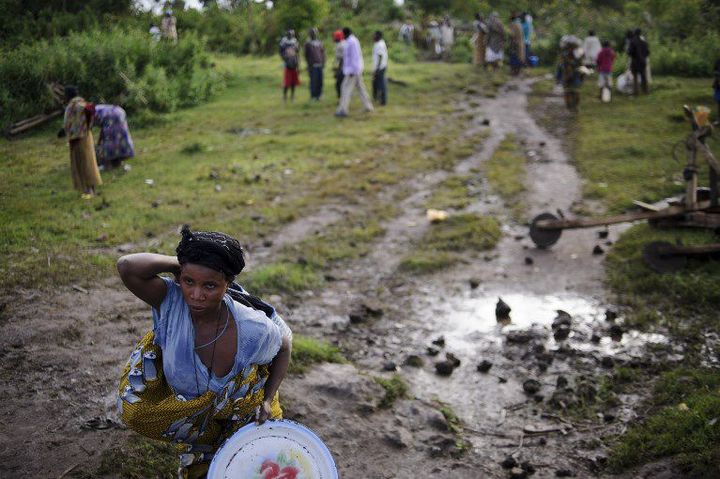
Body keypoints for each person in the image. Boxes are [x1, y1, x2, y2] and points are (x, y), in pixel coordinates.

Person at [116, 226, 292, 479]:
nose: (196, 296)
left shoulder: (252, 328)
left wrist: (267, 398)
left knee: (253, 465)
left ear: (228, 284)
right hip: (199, 417)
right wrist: (184, 263)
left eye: (210, 285)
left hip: (240, 409)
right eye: (189, 282)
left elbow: (284, 346)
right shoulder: (171, 302)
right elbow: (126, 266)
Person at [60, 86, 102, 199]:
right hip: (82, 136)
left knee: (84, 163)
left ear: (69, 95)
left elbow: (90, 109)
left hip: (80, 138)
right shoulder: (76, 103)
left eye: (65, 94)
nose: (64, 96)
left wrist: (85, 124)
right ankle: (89, 189)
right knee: (86, 162)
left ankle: (90, 191)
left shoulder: (75, 104)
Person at [335, 27, 373, 117]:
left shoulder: (352, 42)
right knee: (361, 88)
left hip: (353, 71)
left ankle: (343, 110)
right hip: (355, 70)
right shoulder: (351, 41)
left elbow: (355, 57)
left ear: (346, 34)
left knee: (345, 89)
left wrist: (353, 70)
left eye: (343, 34)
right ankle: (368, 106)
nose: (342, 36)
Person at [93, 104, 135, 170]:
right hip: (120, 112)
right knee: (120, 137)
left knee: (109, 140)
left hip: (109, 115)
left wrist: (99, 143)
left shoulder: (89, 115)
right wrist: (99, 141)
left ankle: (108, 164)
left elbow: (103, 133)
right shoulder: (96, 109)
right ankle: (118, 159)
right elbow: (102, 129)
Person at [557, 36, 583, 112]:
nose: (570, 48)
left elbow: (580, 66)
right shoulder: (564, 55)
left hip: (575, 76)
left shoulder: (577, 55)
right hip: (567, 77)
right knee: (567, 92)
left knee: (576, 92)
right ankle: (569, 107)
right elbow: (560, 67)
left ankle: (575, 106)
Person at [304, 28, 325, 101]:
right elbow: (306, 55)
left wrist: (323, 62)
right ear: (310, 34)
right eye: (313, 33)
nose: (314, 34)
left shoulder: (319, 42)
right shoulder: (308, 43)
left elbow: (323, 53)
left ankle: (319, 95)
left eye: (315, 32)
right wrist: (309, 64)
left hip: (320, 65)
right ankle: (313, 96)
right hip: (313, 65)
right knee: (313, 81)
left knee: (320, 81)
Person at [279, 30, 301, 102]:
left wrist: (298, 64)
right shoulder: (284, 42)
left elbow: (297, 53)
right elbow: (281, 52)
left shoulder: (295, 41)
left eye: (292, 34)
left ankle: (292, 97)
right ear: (287, 34)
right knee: (286, 82)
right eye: (289, 34)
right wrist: (285, 58)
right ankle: (284, 97)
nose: (291, 35)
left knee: (293, 83)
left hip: (294, 64)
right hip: (287, 64)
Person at [628, 28, 650, 95]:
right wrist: (643, 57)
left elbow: (630, 52)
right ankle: (645, 91)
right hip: (642, 61)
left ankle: (636, 91)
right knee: (643, 77)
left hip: (635, 61)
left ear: (634, 33)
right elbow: (648, 52)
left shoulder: (632, 41)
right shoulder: (644, 42)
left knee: (635, 77)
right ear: (640, 33)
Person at [371, 31, 388, 106]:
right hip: (380, 67)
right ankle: (376, 98)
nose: (373, 37)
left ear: (378, 36)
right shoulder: (379, 43)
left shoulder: (380, 45)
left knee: (381, 84)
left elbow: (380, 57)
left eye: (374, 35)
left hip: (380, 68)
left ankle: (383, 100)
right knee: (375, 83)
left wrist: (377, 69)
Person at [332, 30, 346, 100]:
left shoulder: (339, 45)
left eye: (334, 37)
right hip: (345, 67)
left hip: (342, 67)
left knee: (339, 84)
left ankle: (341, 98)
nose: (333, 38)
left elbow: (340, 59)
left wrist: (337, 70)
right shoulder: (344, 43)